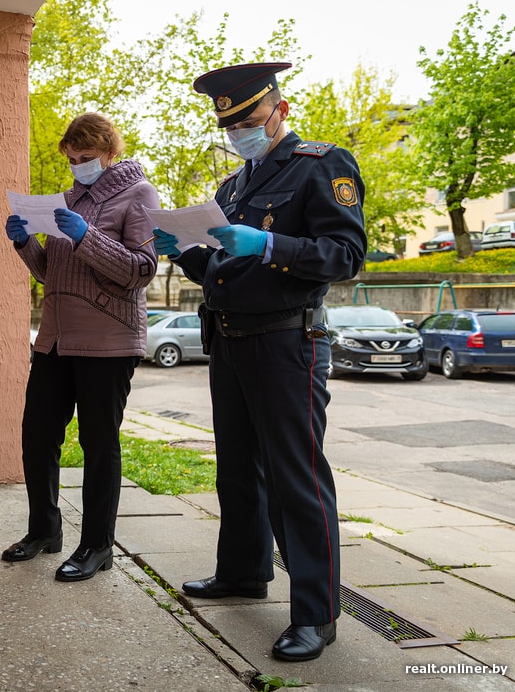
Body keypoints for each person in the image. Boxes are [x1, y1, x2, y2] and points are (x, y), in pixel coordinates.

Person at [153, 63, 366, 661]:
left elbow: (346, 255)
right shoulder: (231, 189)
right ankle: (243, 572)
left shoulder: (322, 165)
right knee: (238, 469)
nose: (237, 132)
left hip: (286, 342)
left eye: (247, 120)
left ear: (281, 109)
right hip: (230, 338)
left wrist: (269, 243)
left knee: (296, 478)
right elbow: (223, 270)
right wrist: (186, 254)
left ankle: (316, 614)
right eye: (228, 125)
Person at [2, 113, 158, 582]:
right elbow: (53, 273)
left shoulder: (140, 194)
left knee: (98, 445)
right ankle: (45, 531)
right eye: (71, 160)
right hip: (55, 339)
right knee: (37, 436)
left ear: (109, 152)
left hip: (109, 341)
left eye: (85, 158)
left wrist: (85, 235)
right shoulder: (67, 199)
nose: (77, 167)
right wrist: (25, 243)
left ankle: (96, 546)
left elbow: (140, 270)